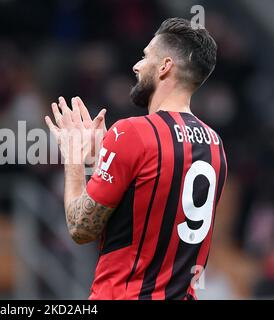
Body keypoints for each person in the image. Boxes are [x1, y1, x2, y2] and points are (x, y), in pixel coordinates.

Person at [45, 18, 227, 300]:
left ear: (165, 66)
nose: (137, 66)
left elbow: (80, 227)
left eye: (145, 57)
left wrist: (74, 158)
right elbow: (147, 214)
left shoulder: (133, 133)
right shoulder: (215, 146)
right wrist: (104, 160)